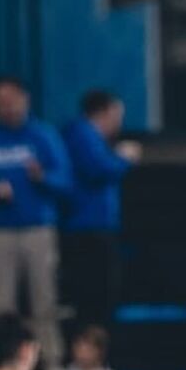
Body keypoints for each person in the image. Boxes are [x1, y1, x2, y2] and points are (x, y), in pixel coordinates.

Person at [0, 77, 73, 370]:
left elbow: (65, 180)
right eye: (1, 102)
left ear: (25, 99)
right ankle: (2, 363)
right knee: (1, 305)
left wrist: (43, 177)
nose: (8, 107)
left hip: (38, 228)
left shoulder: (43, 136)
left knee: (44, 300)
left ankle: (51, 361)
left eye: (12, 100)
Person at [60, 90, 141, 327]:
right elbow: (98, 170)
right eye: (118, 116)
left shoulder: (92, 137)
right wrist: (124, 158)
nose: (119, 123)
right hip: (87, 228)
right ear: (105, 112)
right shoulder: (81, 133)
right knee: (94, 294)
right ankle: (90, 342)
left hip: (99, 227)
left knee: (105, 293)